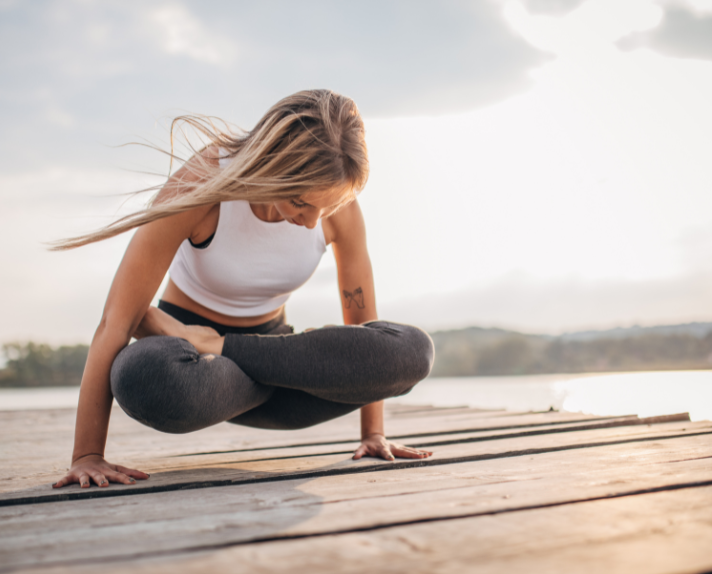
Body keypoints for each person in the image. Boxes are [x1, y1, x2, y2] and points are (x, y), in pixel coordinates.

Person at [52, 90, 435, 490]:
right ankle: (209, 346)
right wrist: (87, 456)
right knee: (141, 375)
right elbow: (116, 322)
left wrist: (372, 434)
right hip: (196, 368)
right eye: (301, 202)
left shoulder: (339, 207)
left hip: (281, 360)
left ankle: (222, 346)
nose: (311, 223)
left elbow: (364, 329)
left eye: (327, 208)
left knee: (413, 351)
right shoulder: (203, 183)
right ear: (273, 164)